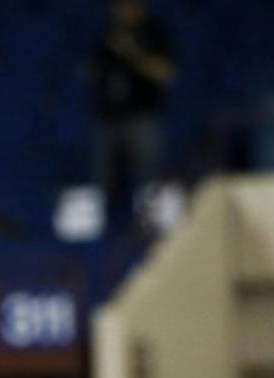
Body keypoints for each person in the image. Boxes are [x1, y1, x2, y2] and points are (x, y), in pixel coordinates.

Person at [90, 0, 175, 232]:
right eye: (119, 7)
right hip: (109, 117)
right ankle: (110, 230)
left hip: (143, 116)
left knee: (149, 175)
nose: (124, 11)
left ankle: (154, 229)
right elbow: (94, 71)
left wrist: (133, 54)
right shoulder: (106, 34)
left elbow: (165, 73)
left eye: (129, 6)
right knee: (106, 181)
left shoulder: (153, 34)